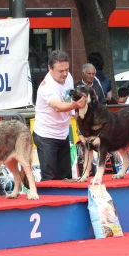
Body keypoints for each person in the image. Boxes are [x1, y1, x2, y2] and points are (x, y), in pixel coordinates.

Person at [33, 50, 86, 181]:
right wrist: (75, 105)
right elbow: (57, 106)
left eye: (67, 69)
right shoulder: (47, 86)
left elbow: (69, 99)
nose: (64, 74)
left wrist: (82, 129)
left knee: (66, 177)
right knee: (50, 179)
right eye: (60, 71)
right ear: (50, 68)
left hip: (63, 133)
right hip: (46, 135)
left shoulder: (68, 78)